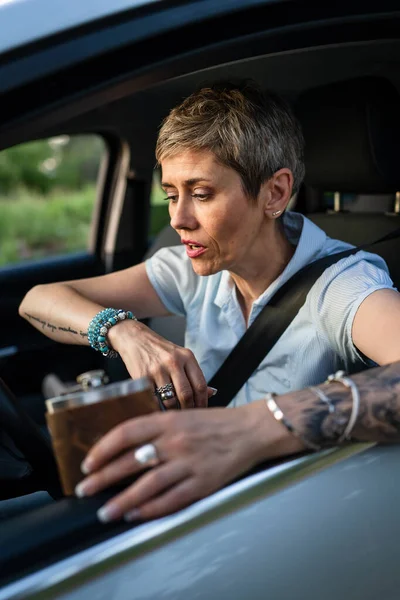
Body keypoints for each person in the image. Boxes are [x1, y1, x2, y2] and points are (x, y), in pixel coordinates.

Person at [19, 82, 400, 522]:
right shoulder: (193, 266)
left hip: (292, 520)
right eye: (170, 195)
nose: (179, 220)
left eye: (201, 194)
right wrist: (122, 331)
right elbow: (37, 301)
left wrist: (247, 428)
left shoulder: (341, 285)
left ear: (274, 193)